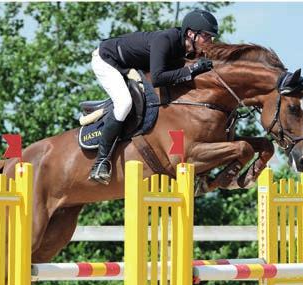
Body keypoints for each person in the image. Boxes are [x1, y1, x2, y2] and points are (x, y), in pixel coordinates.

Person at [89, 9, 218, 184]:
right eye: (206, 36)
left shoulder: (186, 49)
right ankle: (101, 162)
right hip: (107, 60)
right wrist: (193, 69)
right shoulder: (166, 40)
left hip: (131, 66)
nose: (210, 42)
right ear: (190, 34)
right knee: (124, 103)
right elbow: (158, 78)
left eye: (211, 37)